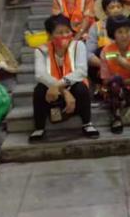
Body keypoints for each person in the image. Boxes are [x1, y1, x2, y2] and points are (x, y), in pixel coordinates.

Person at [29, 14, 100, 142]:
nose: (65, 35)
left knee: (81, 88)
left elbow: (81, 71)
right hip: (52, 90)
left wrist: (59, 85)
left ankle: (87, 123)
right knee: (39, 90)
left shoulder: (78, 46)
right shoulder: (41, 50)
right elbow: (40, 74)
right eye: (59, 32)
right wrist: (63, 91)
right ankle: (39, 127)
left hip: (72, 86)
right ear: (50, 35)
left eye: (67, 31)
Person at [86, 0, 126, 85]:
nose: (116, 10)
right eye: (112, 7)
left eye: (118, 7)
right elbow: (88, 54)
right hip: (102, 64)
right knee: (100, 51)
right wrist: (104, 65)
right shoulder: (96, 27)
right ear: (105, 11)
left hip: (124, 64)